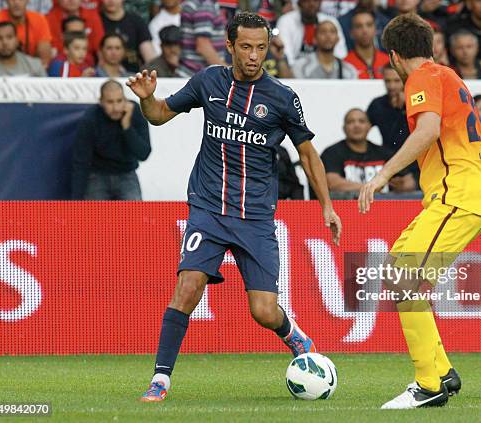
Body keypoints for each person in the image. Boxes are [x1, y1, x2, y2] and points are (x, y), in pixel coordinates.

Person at [127, 12, 341, 402]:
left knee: (263, 311)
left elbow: (308, 154)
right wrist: (146, 100)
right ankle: (160, 379)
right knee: (187, 287)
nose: (254, 56)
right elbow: (159, 115)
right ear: (230, 46)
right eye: (246, 47)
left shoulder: (281, 97)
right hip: (208, 209)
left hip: (256, 217)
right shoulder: (209, 81)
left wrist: (327, 205)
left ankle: (293, 334)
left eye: (261, 47)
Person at [359, 13, 481, 409]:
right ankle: (442, 372)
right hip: (460, 194)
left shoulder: (422, 77)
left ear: (394, 56)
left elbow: (428, 130)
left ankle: (428, 384)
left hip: (458, 195)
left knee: (401, 278)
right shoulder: (447, 75)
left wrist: (381, 175)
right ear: (430, 46)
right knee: (400, 275)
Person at [72, 79, 151, 200]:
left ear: (125, 99)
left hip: (127, 174)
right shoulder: (90, 118)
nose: (116, 108)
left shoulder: (135, 111)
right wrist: (76, 201)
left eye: (119, 101)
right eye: (110, 102)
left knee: (135, 218)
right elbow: (81, 161)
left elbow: (143, 154)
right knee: (93, 218)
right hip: (97, 175)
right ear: (101, 102)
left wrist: (127, 127)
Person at [322, 108, 415, 198]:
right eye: (351, 122)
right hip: (347, 208)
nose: (356, 125)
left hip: (384, 209)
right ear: (344, 128)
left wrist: (401, 187)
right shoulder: (332, 153)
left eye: (361, 121)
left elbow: (409, 182)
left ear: (369, 126)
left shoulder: (384, 153)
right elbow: (332, 183)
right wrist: (373, 187)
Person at [275, 0, 347, 65]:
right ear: (299, 3)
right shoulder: (286, 21)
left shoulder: (330, 22)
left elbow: (340, 54)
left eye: (315, 1)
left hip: (328, 72)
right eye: (307, 1)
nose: (311, 4)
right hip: (295, 73)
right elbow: (286, 56)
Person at [0, 0, 53, 66]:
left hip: (31, 72)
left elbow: (45, 61)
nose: (16, 2)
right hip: (1, 73)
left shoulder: (39, 20)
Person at [100, 0, 156, 73]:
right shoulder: (96, 21)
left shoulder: (136, 21)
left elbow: (150, 57)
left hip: (134, 75)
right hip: (102, 75)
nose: (111, 1)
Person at [45, 0, 104, 67]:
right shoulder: (49, 18)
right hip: (61, 63)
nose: (71, 1)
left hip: (88, 64)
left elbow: (100, 46)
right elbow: (52, 49)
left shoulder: (92, 16)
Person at [292, 20, 358, 79]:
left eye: (332, 32)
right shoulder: (301, 66)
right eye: (323, 32)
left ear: (337, 39)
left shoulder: (349, 70)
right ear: (314, 39)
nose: (328, 35)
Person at [177, 0, 227, 77]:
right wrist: (226, 73)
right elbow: (203, 46)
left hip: (191, 74)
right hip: (197, 76)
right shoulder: (205, 5)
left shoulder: (198, 3)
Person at [343, 8, 389, 79]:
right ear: (351, 33)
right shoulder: (345, 64)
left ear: (375, 29)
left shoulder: (387, 61)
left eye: (369, 25)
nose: (365, 30)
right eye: (359, 26)